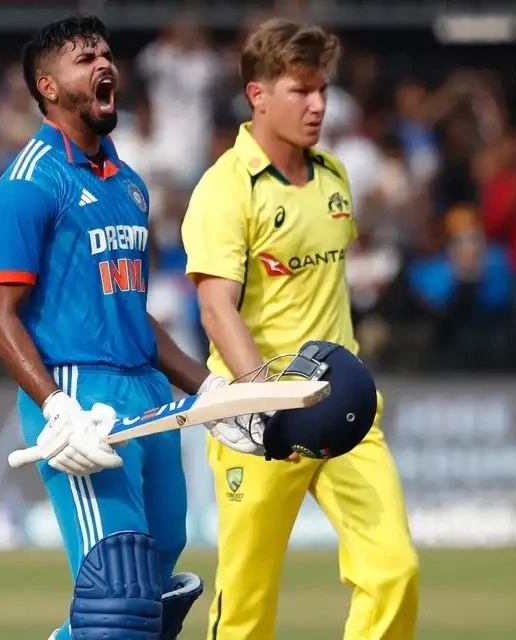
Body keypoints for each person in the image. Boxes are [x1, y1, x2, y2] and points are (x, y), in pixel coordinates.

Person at [0, 16, 268, 640]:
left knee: (155, 579)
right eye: (85, 60)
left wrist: (212, 390)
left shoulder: (130, 186)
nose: (104, 65)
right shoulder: (26, 186)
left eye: (107, 54)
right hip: (81, 398)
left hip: (149, 393)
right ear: (48, 87)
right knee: (118, 592)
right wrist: (57, 407)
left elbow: (132, 312)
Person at [180, 18, 420, 640]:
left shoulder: (336, 177)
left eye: (323, 90)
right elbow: (216, 309)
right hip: (257, 416)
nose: (317, 105)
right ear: (257, 95)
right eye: (300, 90)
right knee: (247, 606)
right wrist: (262, 398)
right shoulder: (225, 189)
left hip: (345, 408)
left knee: (394, 571)